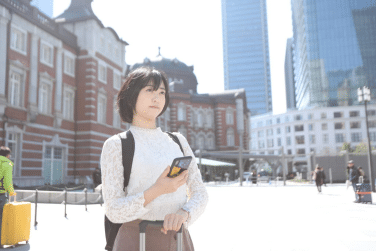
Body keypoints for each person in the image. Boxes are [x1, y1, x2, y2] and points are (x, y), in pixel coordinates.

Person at [101, 67, 209, 251]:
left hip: (178, 239)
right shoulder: (116, 145)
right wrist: (158, 190)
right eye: (149, 90)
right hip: (135, 239)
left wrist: (184, 213)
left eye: (161, 92)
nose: (157, 98)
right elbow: (113, 210)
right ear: (131, 95)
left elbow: (200, 192)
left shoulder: (178, 141)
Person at [0, 146, 17, 248]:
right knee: (1, 219)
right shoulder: (7, 164)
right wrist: (11, 192)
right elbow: (7, 182)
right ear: (7, 155)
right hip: (1, 194)